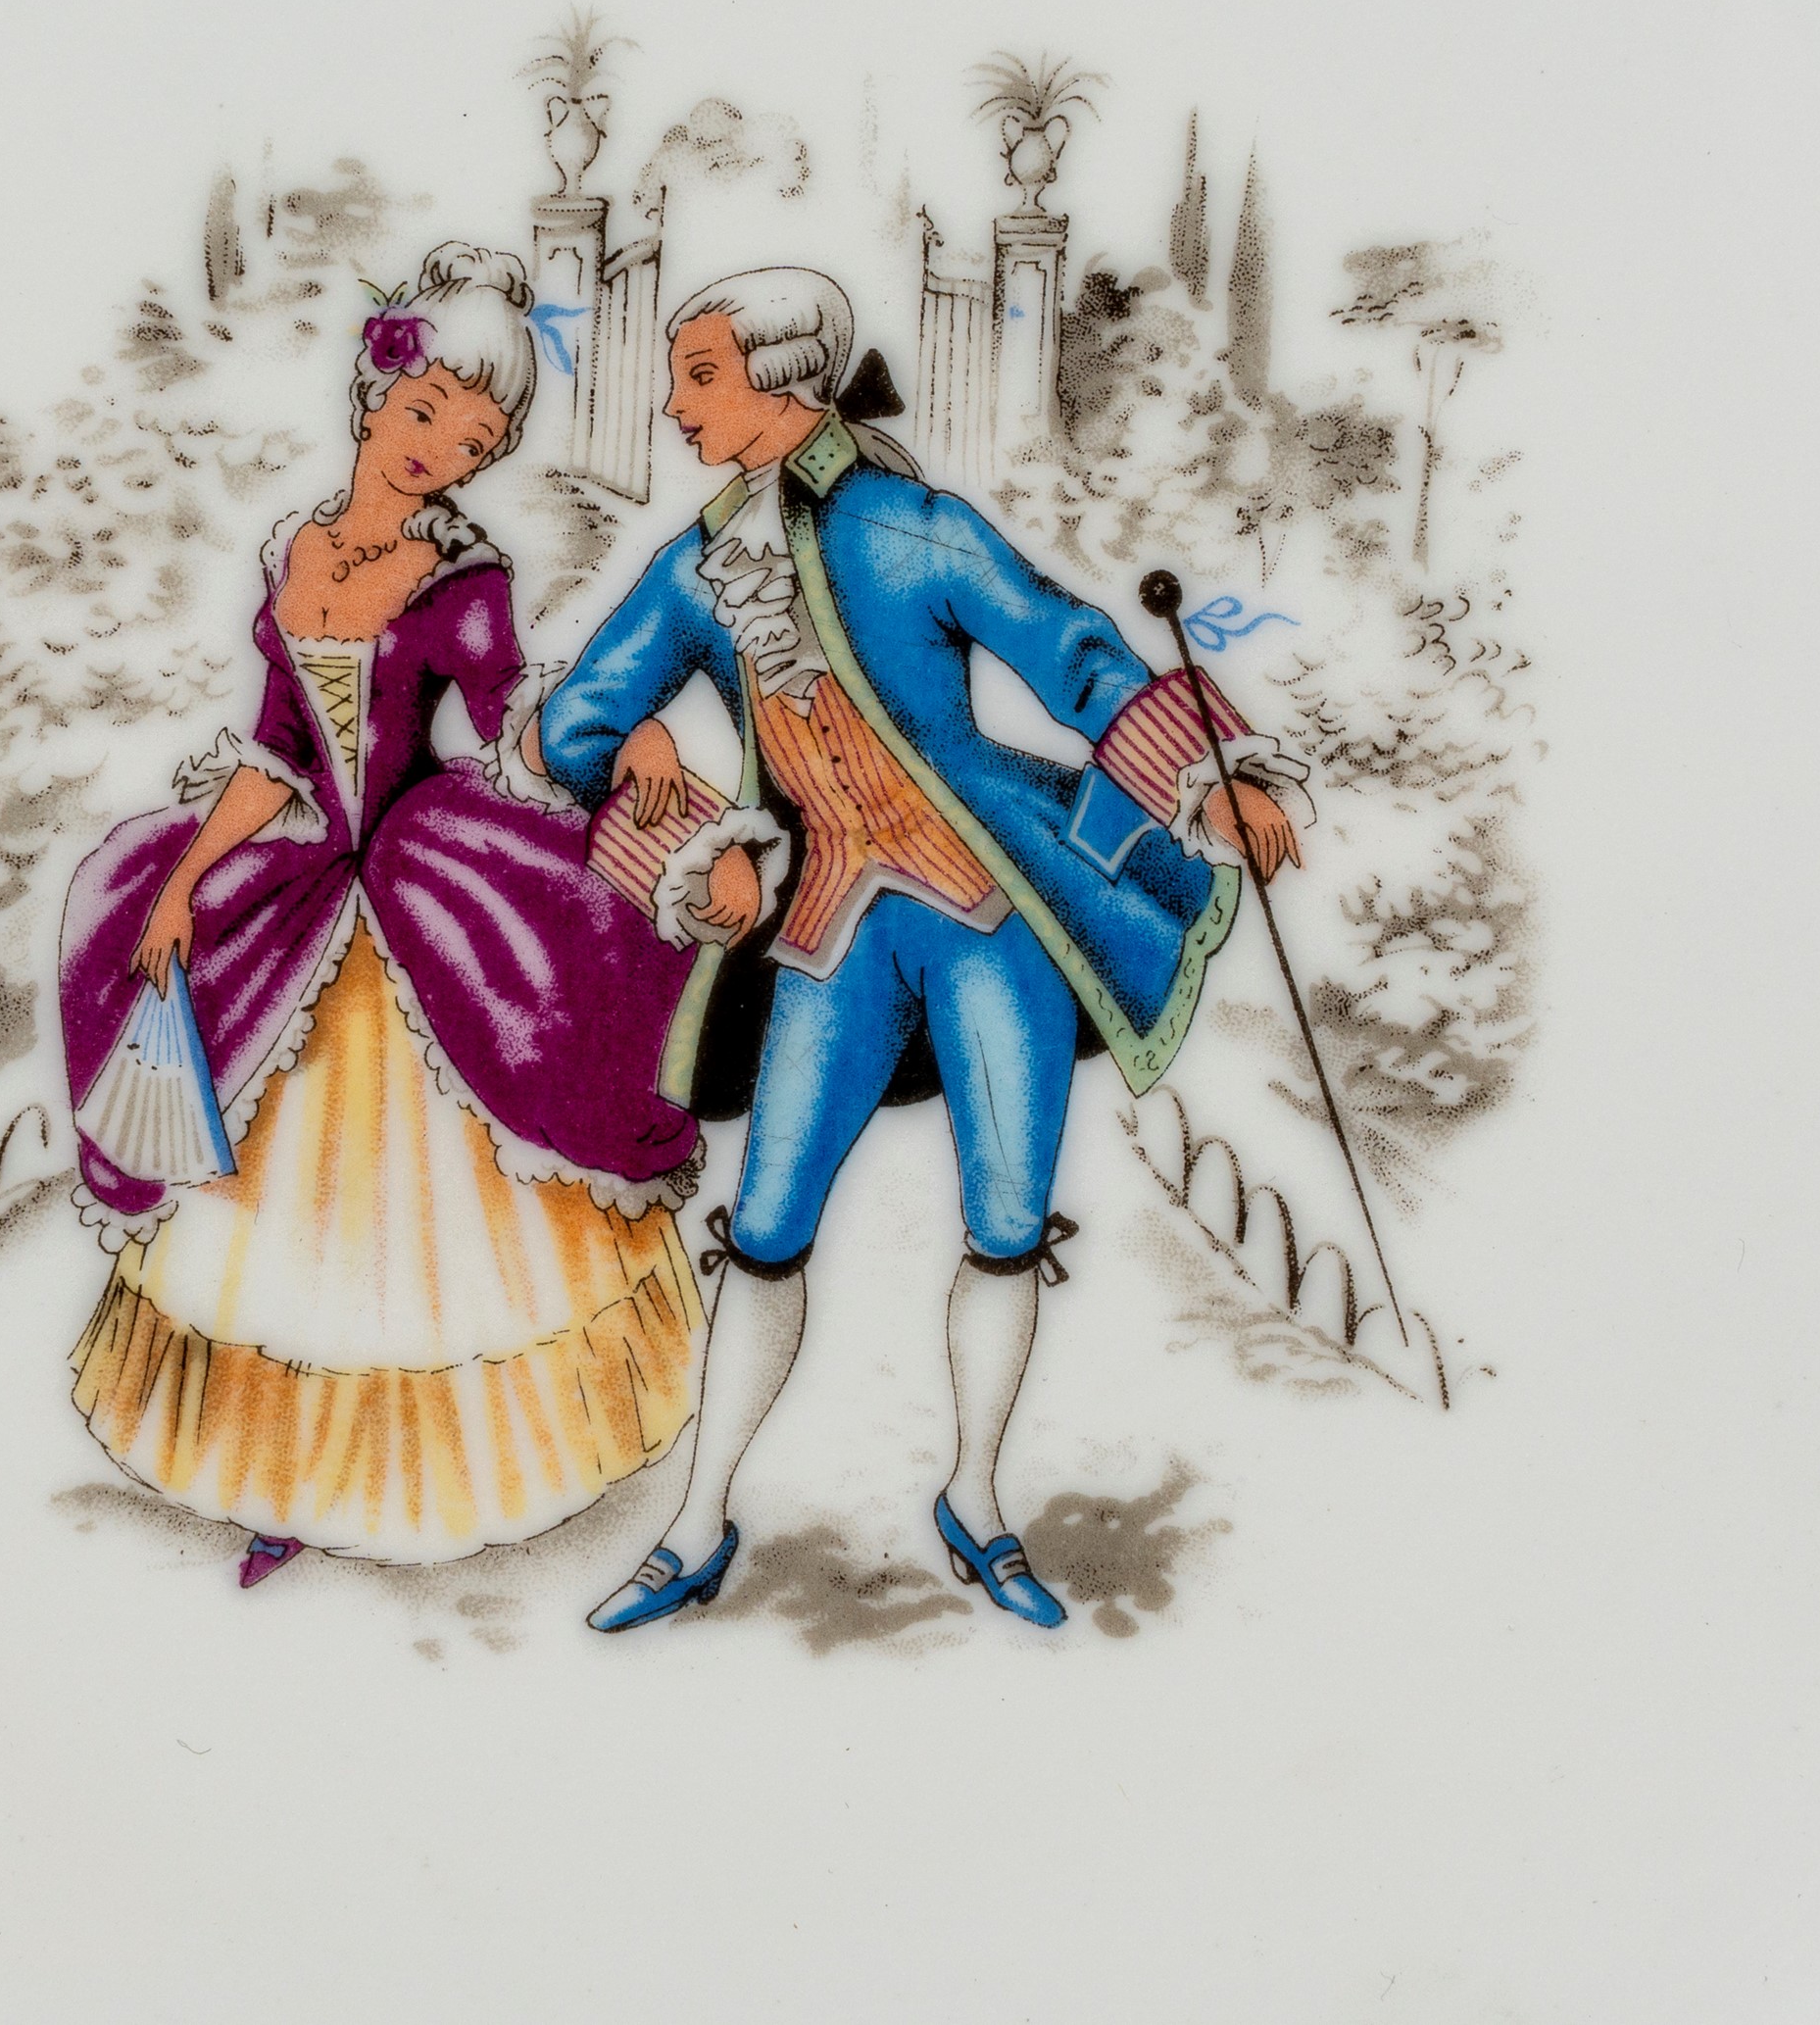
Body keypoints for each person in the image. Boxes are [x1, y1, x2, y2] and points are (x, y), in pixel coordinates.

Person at [519, 266, 1308, 1634]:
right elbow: (571, 722)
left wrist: (1215, 779)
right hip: (829, 930)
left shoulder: (912, 527)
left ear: (785, 382)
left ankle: (978, 1502)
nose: (675, 407)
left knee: (1006, 1220)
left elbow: (1072, 655)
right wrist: (653, 763)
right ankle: (698, 1524)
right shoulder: (698, 568)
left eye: (699, 376)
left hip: (990, 921)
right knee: (767, 1226)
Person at [54, 245, 706, 1584]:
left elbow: (519, 715)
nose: (437, 452)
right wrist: (182, 881)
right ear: (375, 394)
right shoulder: (294, 551)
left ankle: (448, 1484)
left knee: (434, 1219)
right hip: (304, 877)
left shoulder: (464, 578)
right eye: (423, 414)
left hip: (424, 883)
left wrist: (626, 732)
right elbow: (278, 750)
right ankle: (286, 1484)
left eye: (472, 443)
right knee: (266, 1196)